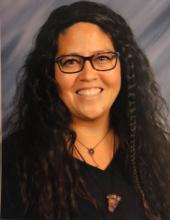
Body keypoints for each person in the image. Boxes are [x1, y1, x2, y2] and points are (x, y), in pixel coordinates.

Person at [1, 1, 170, 220]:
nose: (88, 75)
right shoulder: (12, 162)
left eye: (102, 58)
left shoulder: (159, 157)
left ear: (124, 67)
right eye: (71, 61)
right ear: (50, 73)